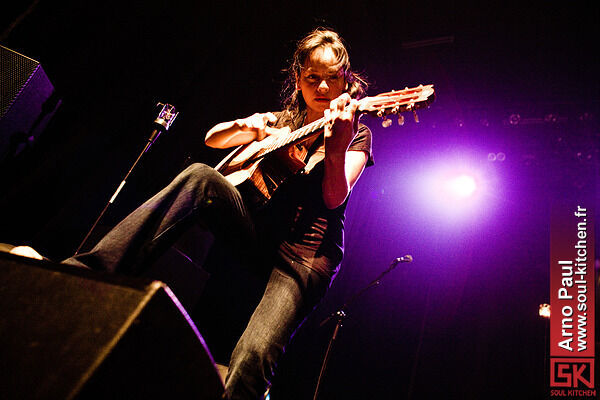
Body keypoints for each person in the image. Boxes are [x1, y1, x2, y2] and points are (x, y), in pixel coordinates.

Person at [61, 28, 373, 399]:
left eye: (332, 78)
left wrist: (335, 150)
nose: (322, 88)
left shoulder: (358, 133)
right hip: (260, 231)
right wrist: (247, 128)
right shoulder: (284, 120)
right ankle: (87, 272)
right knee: (201, 176)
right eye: (312, 78)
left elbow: (335, 198)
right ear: (299, 80)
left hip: (304, 257)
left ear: (346, 80)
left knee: (252, 356)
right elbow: (212, 138)